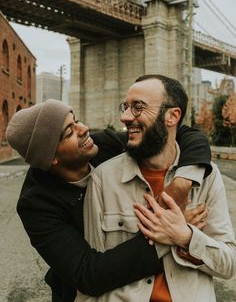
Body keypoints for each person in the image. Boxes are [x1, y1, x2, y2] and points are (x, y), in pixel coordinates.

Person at [6, 98, 211, 302]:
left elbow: (181, 134)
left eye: (76, 120)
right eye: (69, 132)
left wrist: (182, 183)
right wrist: (170, 233)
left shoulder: (104, 144)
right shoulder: (35, 204)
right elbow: (88, 274)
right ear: (51, 158)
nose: (84, 128)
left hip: (145, 282)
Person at [81, 74, 236, 302]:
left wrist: (185, 237)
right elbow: (93, 277)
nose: (124, 117)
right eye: (126, 107)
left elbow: (229, 264)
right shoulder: (103, 179)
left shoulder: (207, 177)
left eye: (138, 107)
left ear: (172, 116)